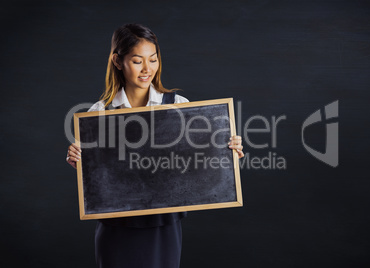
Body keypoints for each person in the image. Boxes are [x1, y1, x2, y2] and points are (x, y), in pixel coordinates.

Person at [66, 23, 244, 268]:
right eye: (137, 61)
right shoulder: (99, 113)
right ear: (118, 61)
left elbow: (197, 162)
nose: (147, 69)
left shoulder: (178, 106)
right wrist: (80, 161)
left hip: (163, 225)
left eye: (153, 59)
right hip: (116, 227)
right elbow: (97, 177)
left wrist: (227, 150)